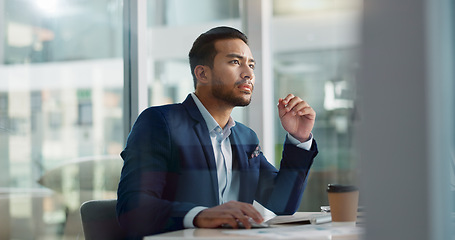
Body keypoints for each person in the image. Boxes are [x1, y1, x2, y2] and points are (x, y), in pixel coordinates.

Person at [116, 26, 318, 238]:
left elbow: (281, 203)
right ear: (202, 73)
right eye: (235, 62)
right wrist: (200, 216)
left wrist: (299, 138)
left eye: (251, 65)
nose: (248, 74)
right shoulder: (161, 123)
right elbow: (133, 209)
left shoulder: (245, 137)